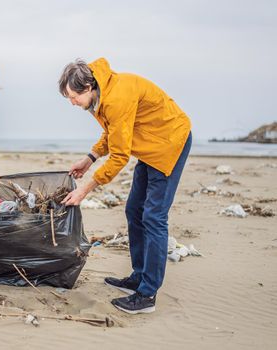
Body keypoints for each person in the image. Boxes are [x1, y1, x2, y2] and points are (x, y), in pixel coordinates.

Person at [59, 57, 192, 314]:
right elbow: (113, 132)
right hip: (150, 145)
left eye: (72, 96)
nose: (71, 102)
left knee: (154, 217)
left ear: (87, 87)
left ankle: (147, 294)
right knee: (134, 210)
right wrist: (89, 159)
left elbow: (120, 156)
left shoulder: (116, 97)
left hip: (170, 142)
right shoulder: (103, 92)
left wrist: (85, 189)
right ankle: (138, 276)